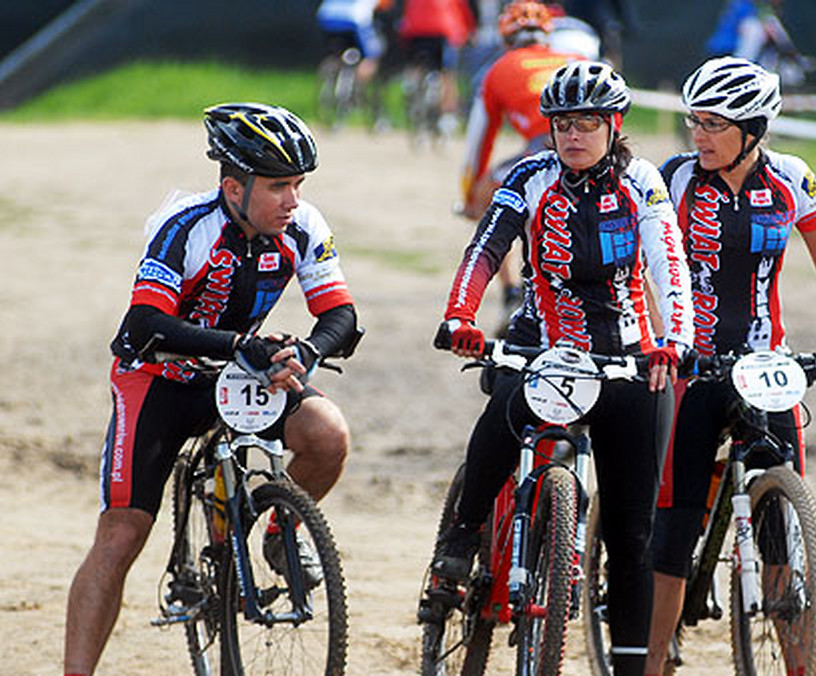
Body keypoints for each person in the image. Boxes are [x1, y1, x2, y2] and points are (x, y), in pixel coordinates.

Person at [63, 103, 360, 676]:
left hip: (236, 375)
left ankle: (278, 531)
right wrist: (236, 344)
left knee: (328, 436)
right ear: (233, 186)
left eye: (298, 184)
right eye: (278, 186)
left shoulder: (302, 227)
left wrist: (308, 351)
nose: (293, 199)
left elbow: (341, 315)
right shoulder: (184, 227)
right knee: (123, 534)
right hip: (158, 377)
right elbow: (143, 325)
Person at [431, 60, 694, 676]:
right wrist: (460, 316)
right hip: (541, 342)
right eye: (562, 124)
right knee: (506, 404)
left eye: (587, 124)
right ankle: (463, 535)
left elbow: (669, 261)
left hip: (626, 354)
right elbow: (485, 249)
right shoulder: (529, 176)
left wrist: (674, 338)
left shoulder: (643, 183)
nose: (572, 135)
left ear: (613, 125)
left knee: (632, 536)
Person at [647, 56, 816, 676]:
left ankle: (797, 662)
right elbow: (648, 270)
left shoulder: (793, 180)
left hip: (765, 363)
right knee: (676, 522)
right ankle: (655, 656)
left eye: (713, 124)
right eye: (694, 120)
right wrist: (661, 339)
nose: (698, 134)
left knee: (782, 524)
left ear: (753, 130)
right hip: (693, 362)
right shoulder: (673, 179)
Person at [459, 0, 585, 332]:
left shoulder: (499, 68)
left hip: (543, 145)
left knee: (492, 199)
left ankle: (512, 290)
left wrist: (471, 192)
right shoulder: (576, 59)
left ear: (506, 38)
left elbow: (480, 140)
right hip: (592, 147)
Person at [396, 0, 476, 136]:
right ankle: (448, 115)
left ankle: (412, 86)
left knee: (416, 64)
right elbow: (464, 11)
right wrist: (469, 32)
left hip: (415, 29)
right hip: (444, 30)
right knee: (448, 74)